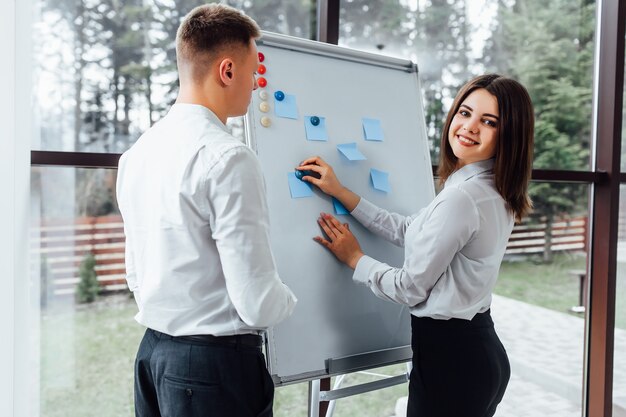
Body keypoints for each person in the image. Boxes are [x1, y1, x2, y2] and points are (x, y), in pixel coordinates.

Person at [297, 74, 534, 417]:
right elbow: (412, 230)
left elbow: (410, 288)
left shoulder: (464, 198)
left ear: (509, 133)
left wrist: (355, 258)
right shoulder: (491, 189)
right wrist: (342, 193)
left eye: (489, 121)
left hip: (452, 364)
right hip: (476, 352)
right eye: (465, 113)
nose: (469, 127)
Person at [116, 4, 297, 417]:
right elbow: (257, 304)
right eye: (253, 73)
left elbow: (134, 274)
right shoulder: (230, 158)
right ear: (227, 70)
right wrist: (293, 297)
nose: (255, 86)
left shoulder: (136, 154)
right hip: (213, 369)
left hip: (153, 357)